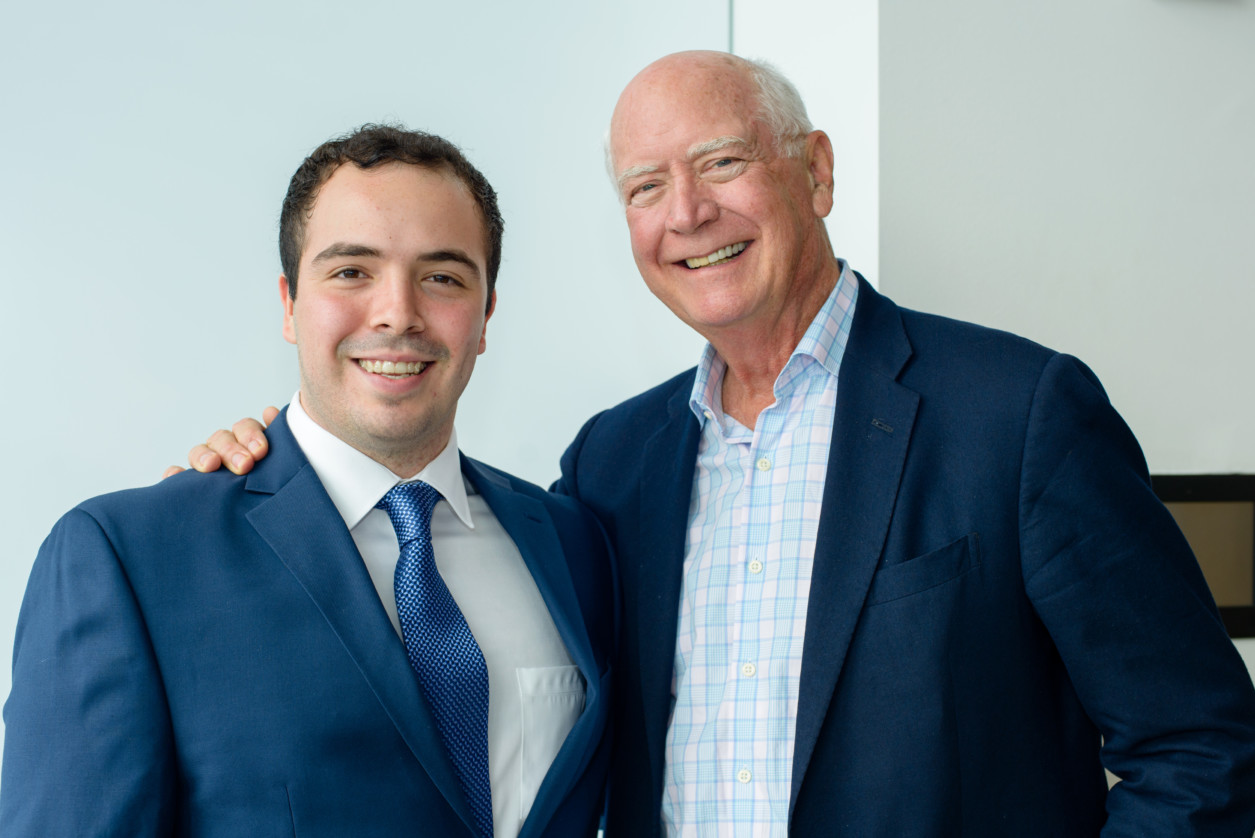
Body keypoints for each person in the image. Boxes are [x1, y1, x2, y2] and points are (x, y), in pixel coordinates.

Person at [177, 53, 1255, 836]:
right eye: (645, 188)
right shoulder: (610, 466)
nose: (686, 212)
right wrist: (276, 467)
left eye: (721, 161)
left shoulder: (1017, 415)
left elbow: (1201, 745)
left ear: (814, 173)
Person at [1, 125, 614, 838]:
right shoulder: (131, 557)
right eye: (351, 271)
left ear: (485, 316)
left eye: (442, 276)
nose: (397, 313)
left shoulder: (573, 544)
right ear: (290, 304)